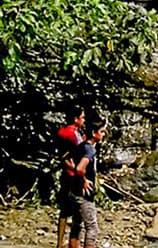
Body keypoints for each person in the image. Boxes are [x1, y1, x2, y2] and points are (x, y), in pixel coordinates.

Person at [68, 118, 106, 248]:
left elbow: (67, 159)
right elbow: (80, 168)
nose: (103, 134)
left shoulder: (80, 146)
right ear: (94, 133)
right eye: (101, 131)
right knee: (92, 227)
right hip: (84, 193)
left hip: (73, 190)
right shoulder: (90, 150)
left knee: (76, 224)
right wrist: (84, 180)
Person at [56, 106, 86, 248]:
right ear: (76, 119)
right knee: (74, 209)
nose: (84, 120)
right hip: (72, 174)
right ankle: (71, 242)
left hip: (69, 173)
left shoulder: (71, 132)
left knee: (65, 210)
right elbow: (68, 154)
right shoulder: (71, 134)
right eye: (82, 117)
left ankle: (61, 242)